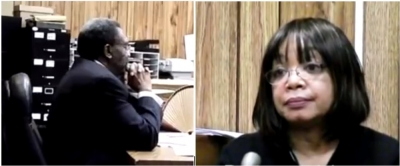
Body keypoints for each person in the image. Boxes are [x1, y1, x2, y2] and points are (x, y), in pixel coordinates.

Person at [217, 18, 399, 165]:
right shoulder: (241, 155)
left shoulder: (387, 156)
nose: (293, 82)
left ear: (344, 77)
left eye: (312, 67)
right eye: (280, 72)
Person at [43, 18, 164, 165]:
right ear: (108, 50)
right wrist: (146, 90)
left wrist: (136, 91)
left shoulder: (86, 72)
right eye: (126, 46)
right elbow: (146, 138)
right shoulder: (101, 82)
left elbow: (129, 116)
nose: (130, 53)